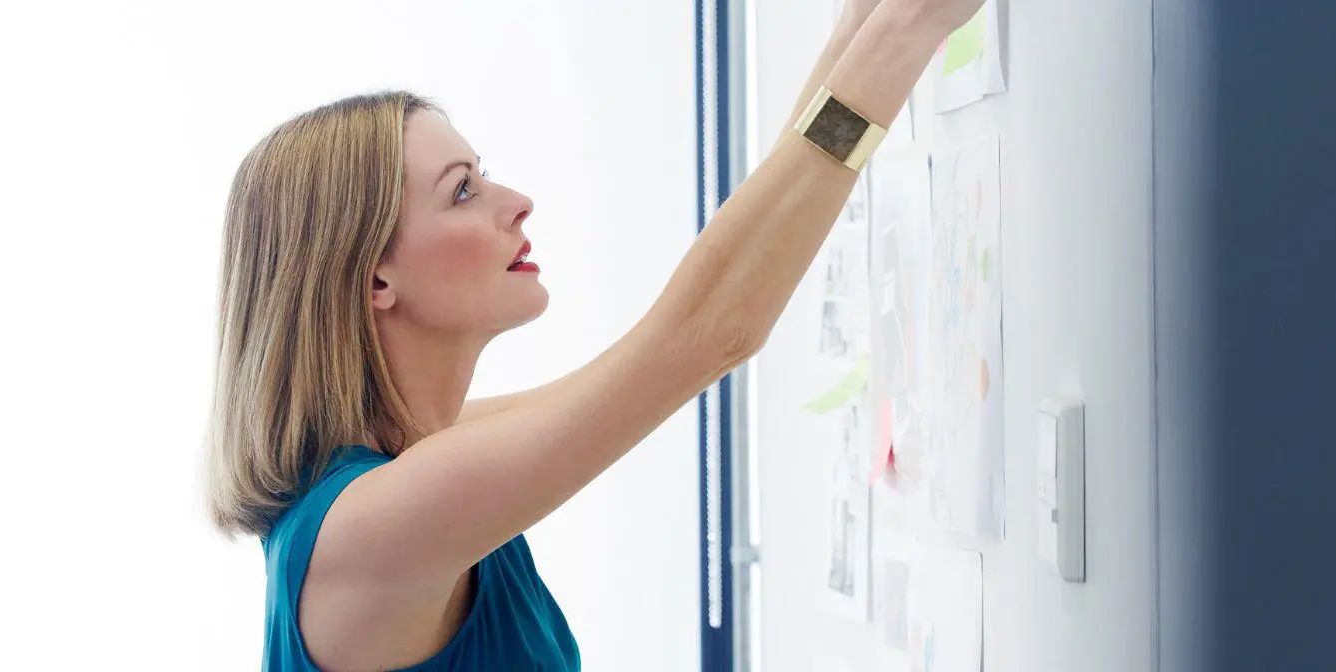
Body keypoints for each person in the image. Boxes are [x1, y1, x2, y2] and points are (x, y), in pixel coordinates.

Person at [206, 0, 979, 668]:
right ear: (375, 279)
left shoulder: (419, 457)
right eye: (464, 191)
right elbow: (705, 334)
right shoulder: (370, 529)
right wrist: (905, 32)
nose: (517, 202)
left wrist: (860, 27)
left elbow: (701, 319)